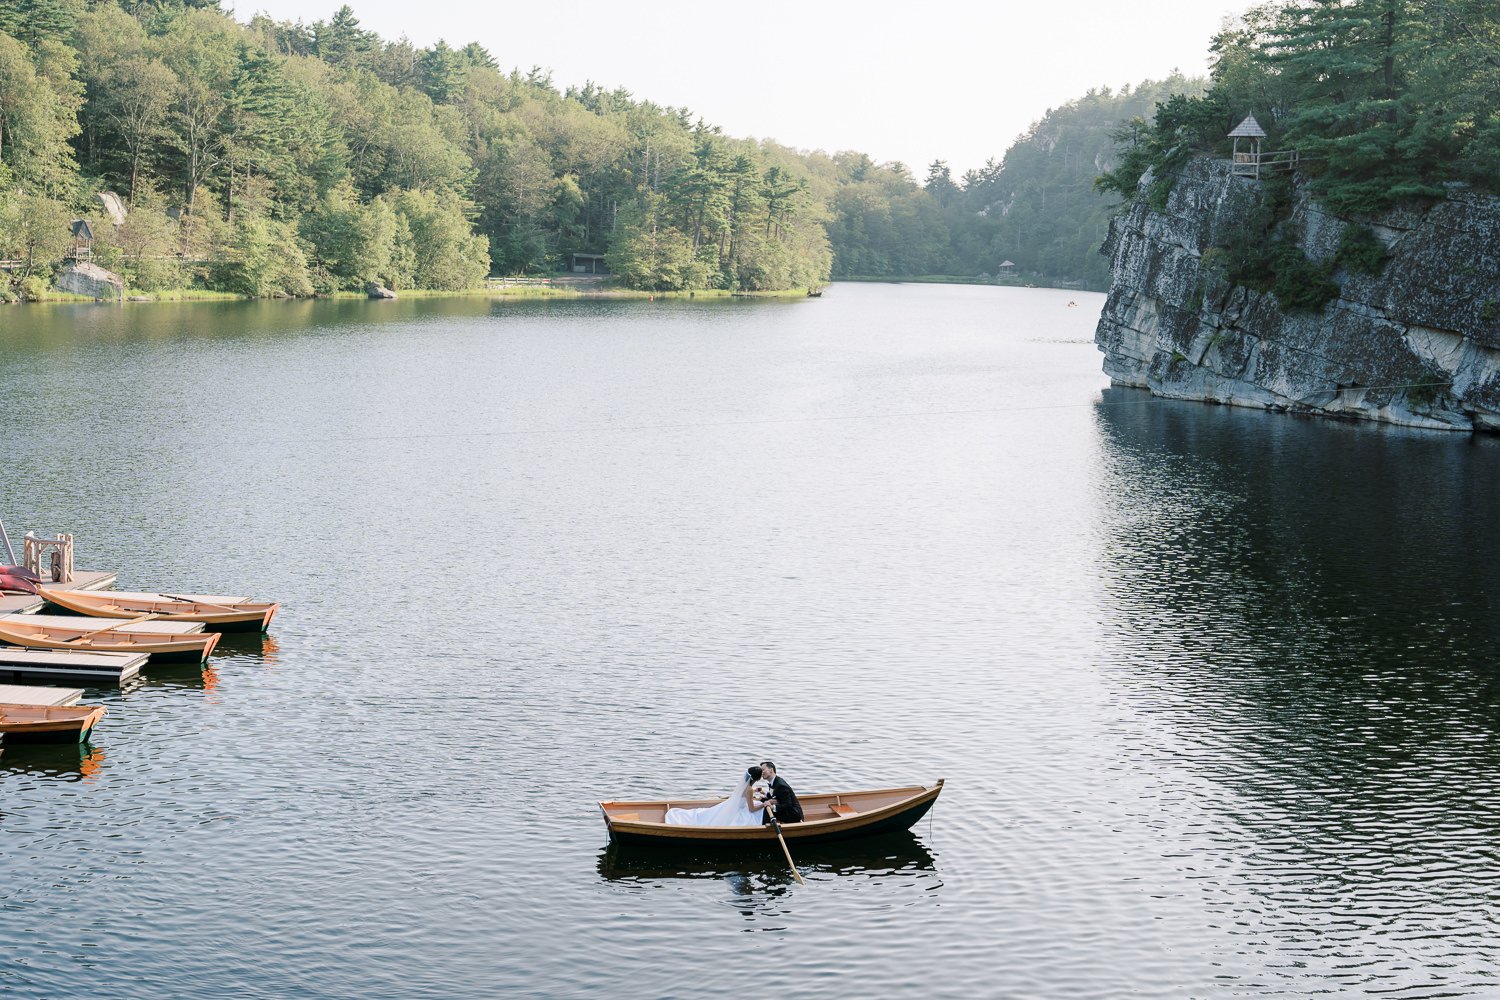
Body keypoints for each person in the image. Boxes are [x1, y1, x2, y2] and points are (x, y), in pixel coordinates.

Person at [665, 767, 766, 826]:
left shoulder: (744, 785)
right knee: (758, 810)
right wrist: (765, 804)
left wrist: (755, 790)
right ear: (756, 778)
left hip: (730, 804)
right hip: (738, 809)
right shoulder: (749, 790)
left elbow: (744, 794)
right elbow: (752, 809)